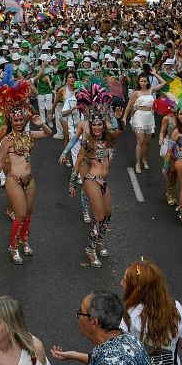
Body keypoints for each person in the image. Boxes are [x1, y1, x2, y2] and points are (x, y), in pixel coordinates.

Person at [0, 77, 53, 264]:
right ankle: (13, 246)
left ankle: (25, 240)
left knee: (29, 213)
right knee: (21, 214)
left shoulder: (29, 135)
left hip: (29, 179)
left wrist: (41, 123)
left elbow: (48, 134)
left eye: (20, 119)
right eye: (15, 120)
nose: (18, 122)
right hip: (14, 179)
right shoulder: (7, 139)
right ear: (11, 120)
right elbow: (1, 162)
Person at [66, 84, 122, 266]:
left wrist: (117, 118)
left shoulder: (108, 139)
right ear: (90, 125)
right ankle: (90, 249)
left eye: (99, 124)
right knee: (98, 216)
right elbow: (77, 164)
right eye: (94, 124)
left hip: (104, 181)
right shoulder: (87, 143)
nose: (97, 127)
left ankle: (99, 241)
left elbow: (119, 130)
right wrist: (73, 184)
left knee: (108, 214)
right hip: (91, 180)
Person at [123, 72, 166, 173]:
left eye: (145, 81)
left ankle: (145, 160)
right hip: (139, 116)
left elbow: (163, 82)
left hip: (149, 117)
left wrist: (155, 74)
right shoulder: (136, 93)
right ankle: (137, 163)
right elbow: (129, 106)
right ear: (139, 82)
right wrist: (124, 118)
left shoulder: (151, 90)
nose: (143, 83)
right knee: (140, 141)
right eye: (141, 81)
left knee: (148, 142)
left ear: (147, 82)